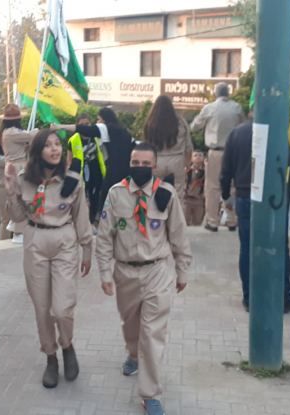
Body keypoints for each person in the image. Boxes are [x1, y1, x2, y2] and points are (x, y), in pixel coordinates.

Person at [96, 142, 192, 415]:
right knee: (131, 325)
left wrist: (182, 269)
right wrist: (105, 272)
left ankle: (150, 394)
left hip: (157, 271)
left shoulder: (166, 194)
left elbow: (179, 234)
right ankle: (132, 353)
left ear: (154, 166)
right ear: (130, 163)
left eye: (145, 164)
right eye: (135, 163)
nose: (140, 168)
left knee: (152, 334)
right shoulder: (116, 194)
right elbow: (104, 236)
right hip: (125, 271)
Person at [4, 129, 93, 389]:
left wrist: (87, 248)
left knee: (62, 308)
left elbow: (81, 216)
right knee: (42, 309)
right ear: (37, 151)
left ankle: (67, 345)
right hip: (35, 240)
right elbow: (18, 217)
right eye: (48, 145)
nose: (55, 149)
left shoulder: (72, 180)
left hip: (64, 240)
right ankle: (51, 357)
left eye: (58, 145)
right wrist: (11, 191)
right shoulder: (25, 179)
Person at [220, 119, 290, 312]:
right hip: (274, 198)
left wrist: (226, 194)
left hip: (245, 196)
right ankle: (283, 298)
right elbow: (288, 159)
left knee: (247, 248)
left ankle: (250, 298)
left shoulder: (237, 133)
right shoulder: (278, 129)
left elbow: (226, 169)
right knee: (279, 247)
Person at [54, 107, 135, 223]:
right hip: (126, 171)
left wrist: (59, 127)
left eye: (99, 119)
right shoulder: (125, 131)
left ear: (104, 119)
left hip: (113, 171)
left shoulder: (105, 128)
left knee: (105, 200)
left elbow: (84, 129)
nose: (97, 122)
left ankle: (104, 223)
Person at [190, 83, 245, 232]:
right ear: (228, 93)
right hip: (233, 152)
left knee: (212, 187)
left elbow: (194, 126)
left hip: (215, 151)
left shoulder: (210, 108)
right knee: (231, 186)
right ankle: (232, 220)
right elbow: (243, 125)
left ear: (216, 93)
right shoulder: (237, 107)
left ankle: (213, 221)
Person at [0, 104, 36, 244]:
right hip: (17, 168)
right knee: (20, 200)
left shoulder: (7, 132)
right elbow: (32, 136)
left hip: (14, 167)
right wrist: (35, 131)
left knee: (18, 199)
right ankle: (19, 231)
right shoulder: (12, 132)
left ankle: (20, 229)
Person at [145, 95, 193, 198]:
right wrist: (187, 163)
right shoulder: (180, 121)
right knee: (178, 193)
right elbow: (188, 146)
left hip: (157, 159)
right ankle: (175, 209)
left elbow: (147, 144)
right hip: (177, 160)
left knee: (153, 192)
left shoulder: (151, 122)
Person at [67, 114, 108, 223]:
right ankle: (83, 220)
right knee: (83, 197)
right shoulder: (73, 140)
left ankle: (94, 219)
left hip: (96, 171)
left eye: (87, 124)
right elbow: (69, 160)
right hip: (82, 173)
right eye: (82, 124)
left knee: (95, 196)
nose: (85, 126)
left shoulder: (96, 137)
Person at [184, 150, 206, 226]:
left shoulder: (206, 171)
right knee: (184, 221)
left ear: (203, 158)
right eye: (195, 155)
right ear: (191, 158)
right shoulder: (187, 170)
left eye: (200, 155)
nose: (198, 157)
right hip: (187, 199)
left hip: (199, 200)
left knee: (197, 222)